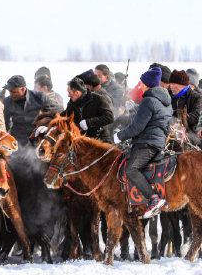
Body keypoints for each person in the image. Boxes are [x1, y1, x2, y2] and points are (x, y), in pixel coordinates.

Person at [114, 67, 172, 219]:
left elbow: (137, 127)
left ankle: (153, 199)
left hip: (146, 143)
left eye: (142, 83)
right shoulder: (165, 101)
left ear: (147, 84)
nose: (140, 86)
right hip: (158, 143)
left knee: (131, 170)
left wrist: (119, 136)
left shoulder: (148, 100)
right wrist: (134, 108)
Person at [3, 75, 62, 146]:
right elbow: (5, 124)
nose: (11, 94)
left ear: (23, 89)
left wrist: (46, 120)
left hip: (37, 139)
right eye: (9, 92)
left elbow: (59, 111)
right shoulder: (7, 101)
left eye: (14, 92)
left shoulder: (40, 97)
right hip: (17, 141)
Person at [61, 77, 114, 143]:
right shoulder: (71, 104)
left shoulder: (98, 99)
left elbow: (110, 117)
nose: (68, 95)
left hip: (100, 140)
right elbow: (63, 116)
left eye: (69, 92)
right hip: (81, 140)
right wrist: (50, 124)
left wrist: (89, 123)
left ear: (77, 93)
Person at [168, 70, 202, 137]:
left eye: (174, 84)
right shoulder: (168, 95)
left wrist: (180, 117)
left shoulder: (197, 97)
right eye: (170, 83)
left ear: (183, 85)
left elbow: (196, 117)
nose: (171, 86)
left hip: (190, 134)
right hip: (170, 132)